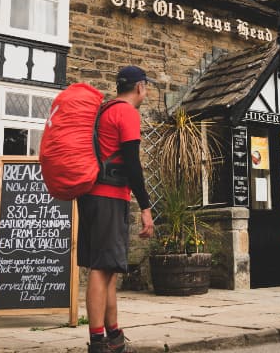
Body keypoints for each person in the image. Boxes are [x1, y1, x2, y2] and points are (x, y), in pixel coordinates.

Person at [79, 65, 156, 353]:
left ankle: (114, 336)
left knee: (108, 267)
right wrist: (146, 207)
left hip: (92, 196)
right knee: (101, 269)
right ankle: (98, 342)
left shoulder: (104, 111)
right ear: (140, 87)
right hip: (109, 196)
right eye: (146, 87)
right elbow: (133, 165)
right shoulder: (126, 113)